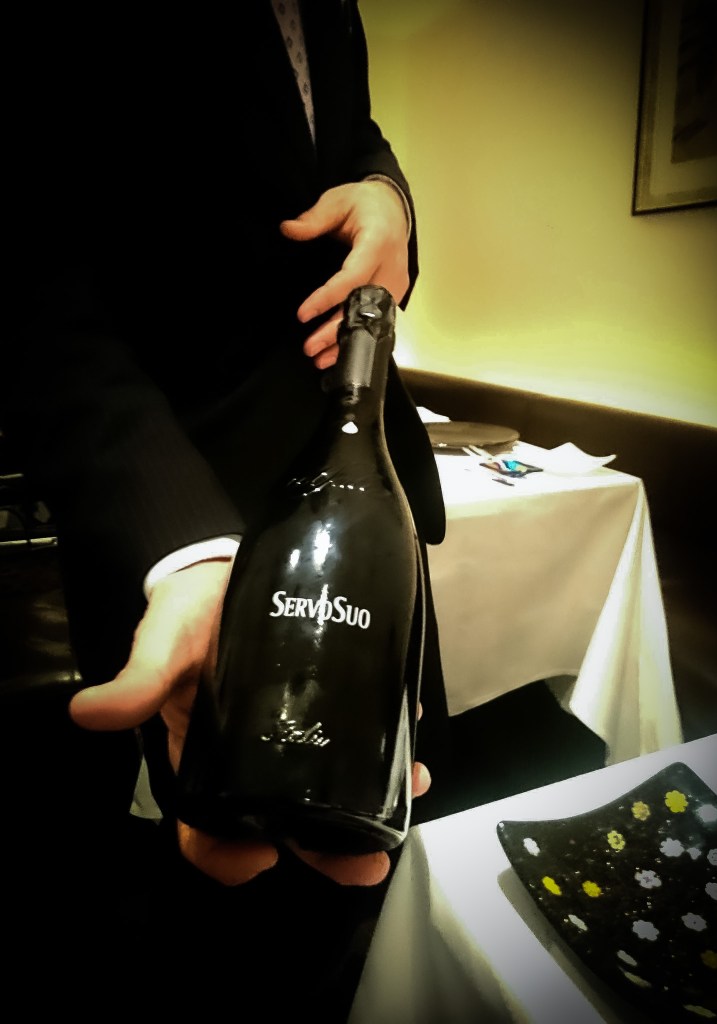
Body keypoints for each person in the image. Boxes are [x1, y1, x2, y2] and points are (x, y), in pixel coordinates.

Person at [3, 3, 448, 1015]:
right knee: (212, 922)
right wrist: (183, 546)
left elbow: (347, 136)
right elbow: (28, 279)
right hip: (183, 502)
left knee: (363, 899)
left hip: (373, 509)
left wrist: (388, 194)